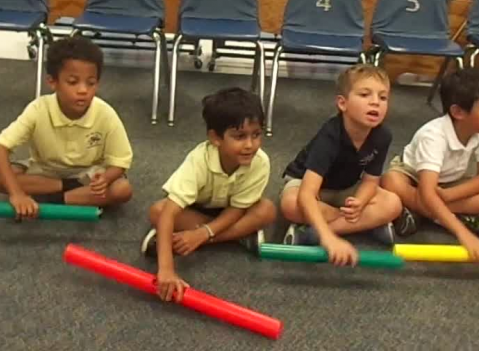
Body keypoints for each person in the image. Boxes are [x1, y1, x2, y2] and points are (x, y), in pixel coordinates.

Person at [141, 87, 276, 302]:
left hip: (231, 211)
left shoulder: (260, 162)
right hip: (197, 209)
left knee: (267, 210)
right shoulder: (198, 161)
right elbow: (168, 213)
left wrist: (202, 235)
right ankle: (240, 236)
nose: (250, 145)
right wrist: (165, 269)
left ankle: (179, 239)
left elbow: (238, 208)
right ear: (215, 138)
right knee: (157, 211)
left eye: (256, 135)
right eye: (239, 136)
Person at [280, 64, 402, 267]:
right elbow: (307, 194)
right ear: (342, 104)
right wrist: (329, 239)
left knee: (393, 204)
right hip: (308, 184)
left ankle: (310, 234)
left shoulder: (383, 135)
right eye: (365, 95)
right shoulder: (330, 135)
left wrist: (360, 203)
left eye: (383, 97)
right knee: (290, 205)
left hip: (345, 187)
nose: (375, 102)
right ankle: (362, 225)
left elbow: (371, 181)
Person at [0, 36, 133, 217]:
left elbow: (120, 162)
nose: (83, 90)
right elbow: (2, 147)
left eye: (91, 83)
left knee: (122, 189)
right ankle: (72, 194)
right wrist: (16, 194)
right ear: (52, 82)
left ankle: (55, 200)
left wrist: (105, 179)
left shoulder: (105, 113)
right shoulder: (38, 109)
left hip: (88, 175)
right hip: (45, 173)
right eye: (72, 82)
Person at [383, 67, 479, 262]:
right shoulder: (434, 135)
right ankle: (454, 217)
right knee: (390, 181)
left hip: (449, 183)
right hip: (414, 179)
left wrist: (448, 195)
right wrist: (463, 234)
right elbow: (427, 191)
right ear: (458, 112)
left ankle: (423, 213)